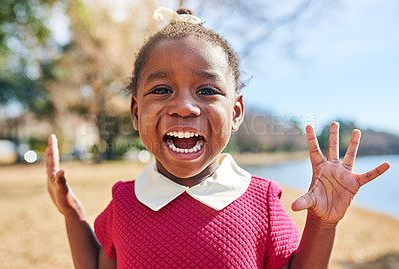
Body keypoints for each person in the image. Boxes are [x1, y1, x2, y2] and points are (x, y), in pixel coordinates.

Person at [46, 7, 390, 269]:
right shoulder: (124, 202)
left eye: (207, 90)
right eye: (162, 89)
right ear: (136, 113)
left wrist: (323, 223)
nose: (184, 107)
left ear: (236, 113)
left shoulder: (262, 202)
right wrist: (72, 213)